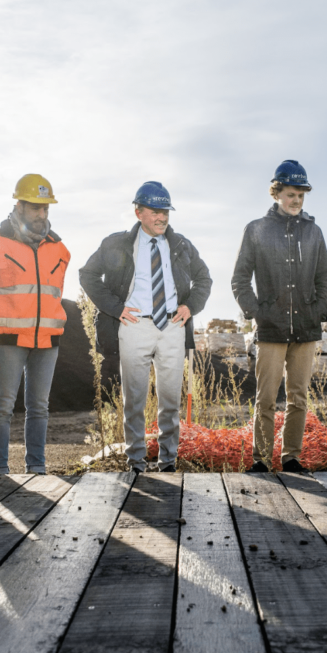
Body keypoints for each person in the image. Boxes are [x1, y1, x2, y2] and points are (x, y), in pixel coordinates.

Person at [78, 182, 211, 474]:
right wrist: (115, 308)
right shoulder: (116, 244)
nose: (162, 217)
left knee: (170, 402)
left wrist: (191, 307)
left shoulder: (181, 245)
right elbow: (87, 275)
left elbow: (204, 279)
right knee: (134, 401)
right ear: (138, 212)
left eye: (165, 211)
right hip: (134, 327)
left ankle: (168, 463)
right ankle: (136, 463)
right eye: (155, 211)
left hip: (173, 328)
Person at [232, 160, 327, 473]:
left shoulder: (313, 232)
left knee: (298, 398)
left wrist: (317, 310)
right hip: (270, 330)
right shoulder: (257, 230)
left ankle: (291, 458)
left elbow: (324, 275)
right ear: (277, 193)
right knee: (264, 399)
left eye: (301, 195)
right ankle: (261, 459)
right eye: (291, 194)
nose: (296, 201)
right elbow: (239, 279)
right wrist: (257, 313)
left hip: (305, 329)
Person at [0, 174, 71, 475]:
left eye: (46, 208)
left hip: (47, 339)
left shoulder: (59, 249)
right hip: (9, 337)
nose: (42, 214)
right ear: (19, 205)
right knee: (3, 406)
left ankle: (36, 468)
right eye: (36, 207)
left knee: (40, 408)